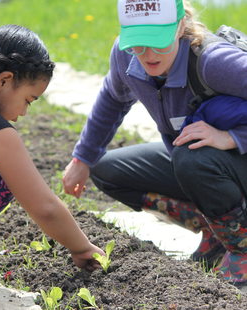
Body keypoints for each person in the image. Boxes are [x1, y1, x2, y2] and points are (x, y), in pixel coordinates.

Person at [63, 0, 247, 286]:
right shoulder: (126, 58)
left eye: (158, 43)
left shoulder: (213, 62)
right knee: (107, 169)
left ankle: (242, 247)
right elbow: (113, 99)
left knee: (190, 158)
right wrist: (82, 158)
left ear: (180, 27)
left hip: (231, 160)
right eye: (138, 44)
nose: (148, 54)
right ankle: (218, 231)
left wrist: (232, 137)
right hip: (198, 163)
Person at [0, 24, 105, 296]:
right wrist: (82, 248)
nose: (25, 113)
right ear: (3, 80)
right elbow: (44, 206)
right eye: (28, 99)